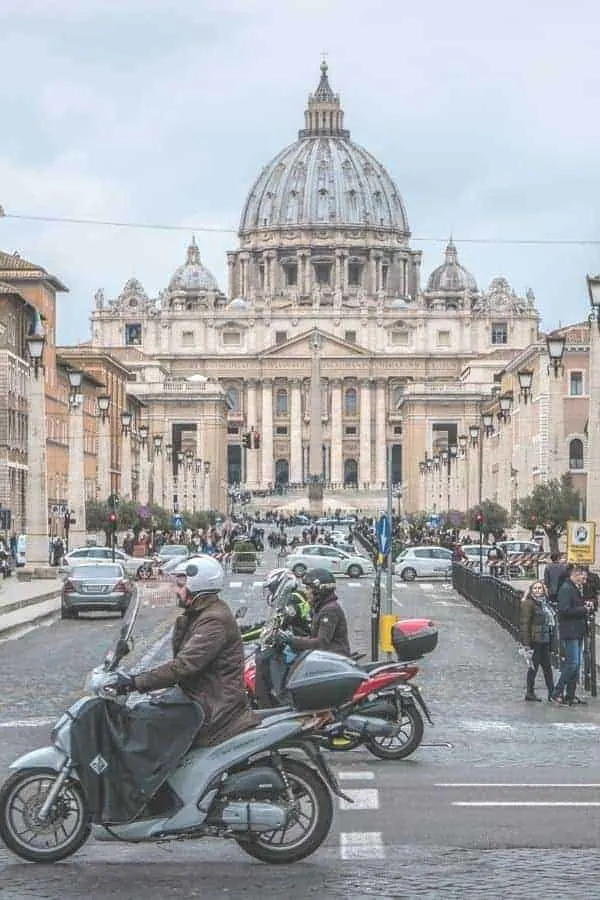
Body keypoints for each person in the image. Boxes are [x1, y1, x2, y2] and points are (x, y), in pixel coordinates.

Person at [114, 557, 258, 746]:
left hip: (214, 708)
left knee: (146, 727)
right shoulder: (200, 614)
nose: (176, 590)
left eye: (181, 585)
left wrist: (134, 682)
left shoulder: (213, 620)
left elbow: (184, 665)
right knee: (148, 713)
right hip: (202, 696)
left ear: (197, 588)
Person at [550, 565, 593, 707]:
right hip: (570, 631)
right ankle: (557, 692)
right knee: (572, 663)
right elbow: (564, 610)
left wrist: (584, 605)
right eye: (583, 577)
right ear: (575, 574)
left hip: (578, 630)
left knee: (576, 664)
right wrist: (583, 609)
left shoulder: (574, 588)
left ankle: (571, 694)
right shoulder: (566, 589)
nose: (585, 580)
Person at [287, 568, 351, 657]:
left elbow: (321, 643)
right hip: (326, 656)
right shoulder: (320, 607)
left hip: (334, 657)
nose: (305, 592)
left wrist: (291, 641)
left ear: (319, 590)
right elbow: (313, 637)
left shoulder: (329, 610)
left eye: (308, 588)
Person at [519, 580, 555, 701]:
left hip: (545, 639)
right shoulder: (529, 604)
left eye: (540, 588)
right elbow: (525, 623)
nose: (538, 590)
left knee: (547, 667)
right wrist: (527, 643)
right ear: (531, 590)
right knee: (533, 667)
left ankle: (552, 692)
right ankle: (530, 692)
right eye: (535, 588)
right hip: (535, 640)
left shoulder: (544, 603)